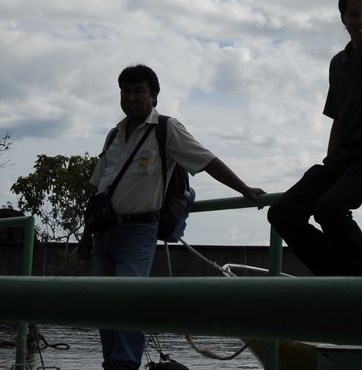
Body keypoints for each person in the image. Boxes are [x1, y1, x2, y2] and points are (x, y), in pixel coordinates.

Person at [90, 64, 265, 370]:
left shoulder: (165, 129)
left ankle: (124, 365)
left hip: (138, 230)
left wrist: (244, 188)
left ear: (154, 97)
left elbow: (206, 159)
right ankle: (112, 365)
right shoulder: (113, 135)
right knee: (104, 305)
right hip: (103, 233)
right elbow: (97, 188)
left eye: (138, 91)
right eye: (126, 91)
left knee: (129, 303)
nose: (130, 98)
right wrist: (85, 236)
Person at [268, 0, 362, 276]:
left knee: (329, 209)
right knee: (281, 213)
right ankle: (335, 276)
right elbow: (338, 119)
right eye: (353, 14)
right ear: (343, 18)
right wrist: (330, 164)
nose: (361, 21)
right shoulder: (338, 63)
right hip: (341, 159)